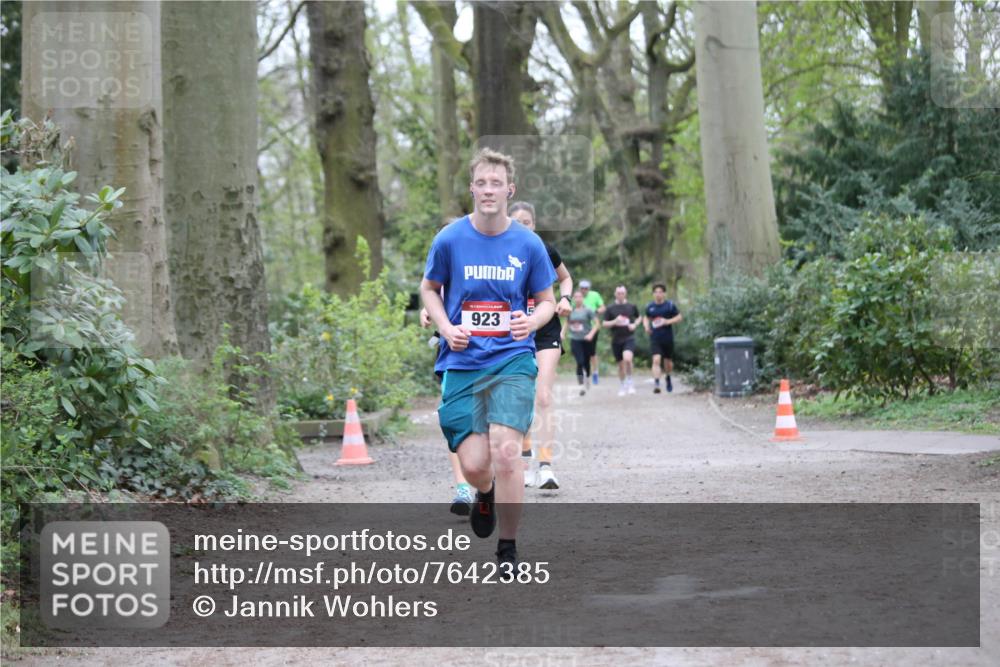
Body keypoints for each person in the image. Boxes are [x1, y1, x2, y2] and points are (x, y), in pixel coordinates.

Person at [420, 147, 556, 570]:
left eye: (496, 183)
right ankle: (485, 491)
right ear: (472, 189)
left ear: (509, 190)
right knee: (476, 465)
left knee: (507, 452)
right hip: (462, 361)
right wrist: (447, 328)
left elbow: (547, 300)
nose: (488, 190)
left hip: (512, 358)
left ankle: (508, 548)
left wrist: (531, 322)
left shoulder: (528, 243)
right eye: (481, 183)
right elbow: (428, 289)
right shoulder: (450, 239)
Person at [509, 201, 572, 491]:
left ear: (534, 225)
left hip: (546, 329)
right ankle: (524, 462)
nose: (523, 227)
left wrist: (565, 298)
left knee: (543, 396)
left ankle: (546, 467)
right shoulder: (500, 251)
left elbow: (565, 278)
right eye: (517, 222)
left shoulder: (545, 250)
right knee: (522, 397)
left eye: (527, 222)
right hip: (516, 330)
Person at [419, 306, 474, 515]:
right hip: (454, 353)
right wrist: (428, 307)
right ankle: (463, 489)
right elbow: (436, 291)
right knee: (455, 422)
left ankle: (490, 483)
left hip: (498, 352)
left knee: (491, 421)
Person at [642, 283, 683, 393]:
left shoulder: (669, 305)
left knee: (668, 362)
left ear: (664, 294)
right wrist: (646, 326)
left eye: (660, 292)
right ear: (653, 294)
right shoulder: (650, 306)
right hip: (655, 338)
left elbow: (679, 317)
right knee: (656, 359)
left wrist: (667, 321)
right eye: (656, 292)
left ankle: (668, 377)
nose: (658, 294)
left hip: (667, 338)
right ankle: (656, 383)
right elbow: (646, 317)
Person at [602, 285, 640, 396]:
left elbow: (639, 317)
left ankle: (630, 381)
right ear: (615, 294)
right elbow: (604, 323)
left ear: (625, 294)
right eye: (618, 293)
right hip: (616, 339)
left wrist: (634, 324)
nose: (620, 295)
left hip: (629, 338)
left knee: (627, 359)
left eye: (622, 293)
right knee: (621, 365)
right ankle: (623, 385)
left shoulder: (631, 306)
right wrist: (615, 321)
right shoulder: (610, 308)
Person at [562, 290, 600, 395]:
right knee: (580, 361)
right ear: (573, 299)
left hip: (586, 339)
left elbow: (597, 324)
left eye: (579, 297)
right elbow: (567, 322)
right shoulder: (570, 310)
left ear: (583, 298)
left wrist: (591, 334)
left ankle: (587, 378)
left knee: (586, 362)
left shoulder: (588, 310)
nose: (578, 299)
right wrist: (562, 333)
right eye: (576, 297)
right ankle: (581, 385)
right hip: (575, 339)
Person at [579, 280, 605, 384]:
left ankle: (595, 373)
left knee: (592, 353)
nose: (584, 290)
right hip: (580, 329)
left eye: (586, 288)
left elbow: (603, 307)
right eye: (582, 288)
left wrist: (596, 311)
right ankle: (585, 373)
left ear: (589, 289)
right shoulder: (577, 297)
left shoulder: (595, 295)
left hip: (593, 327)